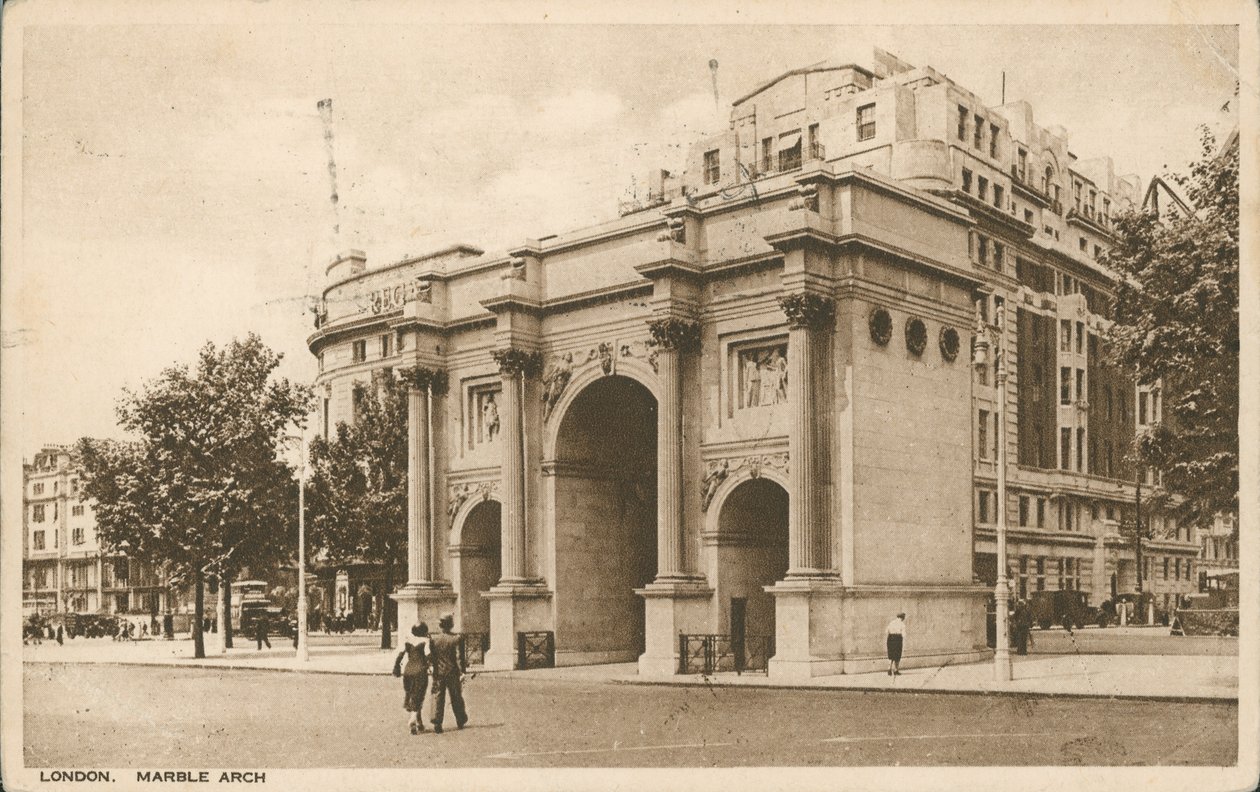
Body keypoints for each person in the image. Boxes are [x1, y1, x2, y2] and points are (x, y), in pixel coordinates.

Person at [428, 614, 467, 734]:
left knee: (438, 696)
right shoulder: (457, 638)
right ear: (451, 624)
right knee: (456, 696)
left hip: (439, 672)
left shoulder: (434, 639)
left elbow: (432, 657)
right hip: (453, 671)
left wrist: (433, 669)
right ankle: (460, 720)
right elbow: (459, 658)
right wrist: (462, 672)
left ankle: (437, 722)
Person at [393, 623, 432, 734]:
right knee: (419, 695)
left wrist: (396, 667)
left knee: (412, 695)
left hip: (408, 670)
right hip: (420, 671)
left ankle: (419, 723)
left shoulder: (408, 641)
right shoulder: (425, 641)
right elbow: (428, 655)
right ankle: (413, 719)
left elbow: (400, 655)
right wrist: (431, 665)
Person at [885, 612, 906, 676]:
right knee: (897, 655)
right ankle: (896, 670)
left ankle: (889, 669)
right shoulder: (902, 624)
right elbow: (904, 634)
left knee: (891, 654)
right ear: (902, 618)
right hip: (898, 639)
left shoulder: (891, 622)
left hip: (890, 638)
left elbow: (886, 631)